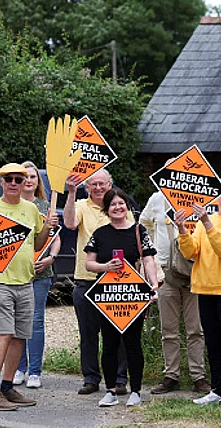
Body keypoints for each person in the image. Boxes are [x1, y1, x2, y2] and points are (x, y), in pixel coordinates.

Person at [0, 163, 58, 411]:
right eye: (8, 179)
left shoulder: (31, 209)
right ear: (1, 183)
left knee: (21, 335)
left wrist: (48, 228)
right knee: (4, 334)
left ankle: (7, 387)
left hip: (25, 280)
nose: (13, 183)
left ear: (24, 183)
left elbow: (38, 242)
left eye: (18, 179)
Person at [175, 176, 221, 405]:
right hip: (204, 286)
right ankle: (217, 388)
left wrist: (207, 222)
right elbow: (190, 251)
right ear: (215, 195)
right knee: (213, 341)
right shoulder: (201, 221)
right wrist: (181, 229)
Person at [84, 188, 159, 408]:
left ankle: (135, 390)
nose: (118, 208)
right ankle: (110, 390)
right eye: (113, 205)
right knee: (108, 344)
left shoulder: (139, 230)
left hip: (133, 297)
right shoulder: (99, 233)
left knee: (133, 344)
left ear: (127, 206)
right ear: (106, 210)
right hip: (107, 298)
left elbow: (148, 260)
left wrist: (153, 285)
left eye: (121, 204)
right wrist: (105, 267)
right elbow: (89, 264)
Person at [63, 169, 131, 395]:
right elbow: (70, 223)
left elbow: (132, 237)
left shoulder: (120, 206)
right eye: (94, 184)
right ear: (87, 187)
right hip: (87, 279)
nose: (99, 188)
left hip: (116, 281)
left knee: (118, 333)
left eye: (102, 184)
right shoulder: (81, 205)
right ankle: (91, 378)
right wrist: (71, 193)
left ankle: (120, 379)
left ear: (110, 185)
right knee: (88, 334)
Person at [140, 190, 209, 395]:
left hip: (195, 271)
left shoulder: (201, 197)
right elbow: (144, 224)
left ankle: (199, 376)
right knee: (168, 329)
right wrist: (152, 256)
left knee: (195, 329)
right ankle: (171, 375)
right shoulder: (156, 198)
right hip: (166, 272)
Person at [13, 161, 61, 389]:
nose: (29, 180)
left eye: (32, 176)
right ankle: (18, 368)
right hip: (16, 273)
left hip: (41, 273)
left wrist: (52, 257)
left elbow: (56, 237)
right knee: (17, 322)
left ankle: (34, 372)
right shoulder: (11, 206)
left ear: (37, 181)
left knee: (36, 320)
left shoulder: (45, 206)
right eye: (25, 176)